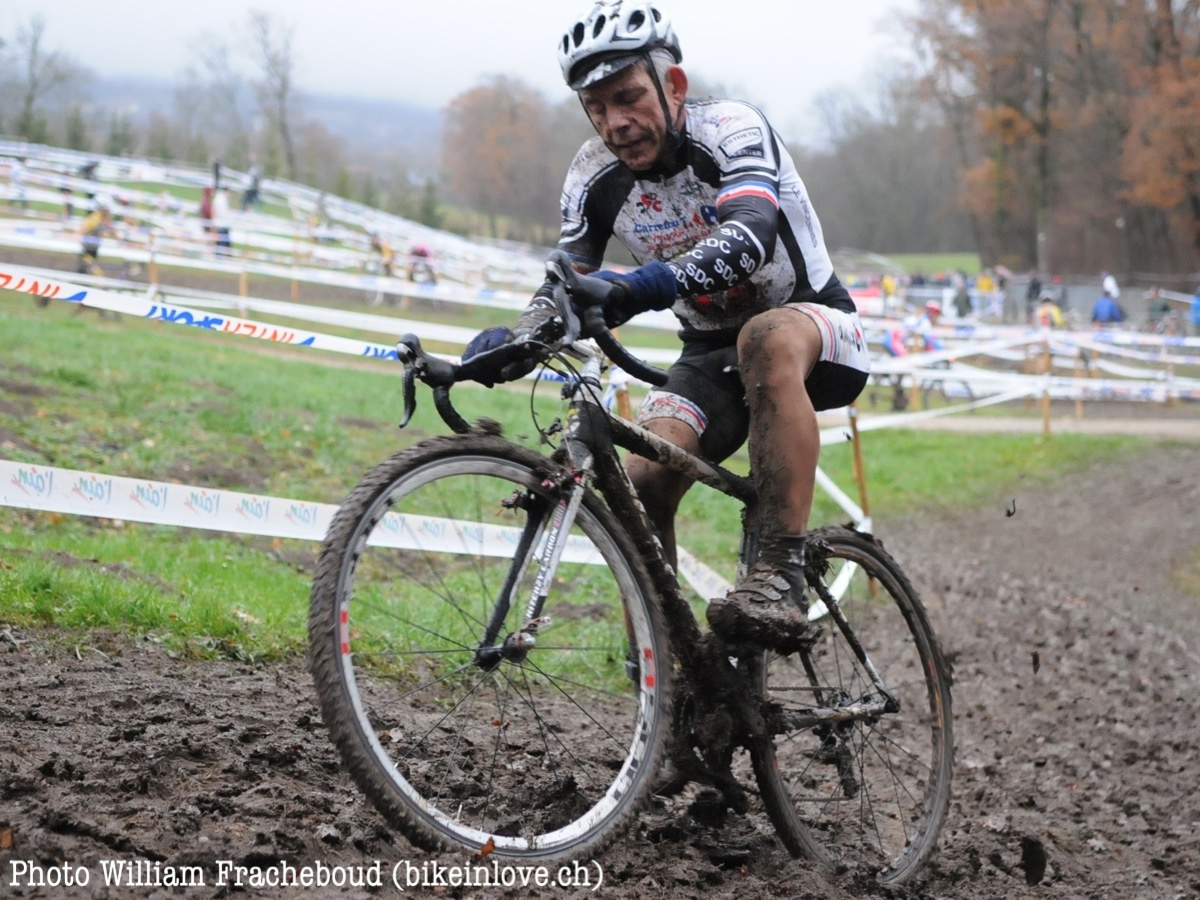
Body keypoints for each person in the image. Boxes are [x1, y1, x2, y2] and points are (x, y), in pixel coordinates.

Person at [461, 1, 870, 652]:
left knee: (762, 338)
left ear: (671, 85)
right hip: (708, 354)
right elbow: (567, 280)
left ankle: (782, 571)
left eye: (626, 98)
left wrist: (640, 286)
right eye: (596, 108)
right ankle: (670, 685)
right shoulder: (590, 176)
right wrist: (519, 339)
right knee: (644, 479)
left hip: (813, 329)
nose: (614, 123)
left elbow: (751, 239)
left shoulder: (731, 128)